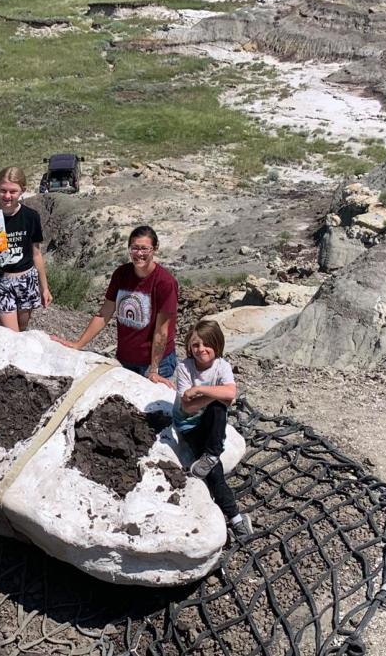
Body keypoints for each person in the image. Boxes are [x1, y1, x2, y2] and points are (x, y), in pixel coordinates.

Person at [52, 225, 178, 385]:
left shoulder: (165, 283)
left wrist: (154, 370)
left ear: (155, 249)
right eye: (135, 248)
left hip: (156, 363)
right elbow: (104, 313)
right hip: (125, 359)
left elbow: (162, 331)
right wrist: (78, 344)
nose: (139, 254)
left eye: (144, 249)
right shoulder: (121, 274)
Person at [172, 320, 251, 538]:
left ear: (217, 344)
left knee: (218, 406)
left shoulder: (222, 366)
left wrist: (199, 390)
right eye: (196, 345)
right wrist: (216, 394)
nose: (201, 350)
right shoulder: (185, 367)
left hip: (208, 419)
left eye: (207, 344)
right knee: (214, 472)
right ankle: (235, 518)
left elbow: (231, 393)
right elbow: (187, 406)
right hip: (189, 424)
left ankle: (212, 454)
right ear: (189, 346)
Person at [0, 166, 52, 331]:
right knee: (10, 334)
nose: (7, 196)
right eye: (3, 190)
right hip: (2, 281)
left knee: (22, 329)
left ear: (23, 190)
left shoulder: (31, 216)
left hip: (27, 280)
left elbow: (36, 254)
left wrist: (45, 288)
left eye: (13, 191)